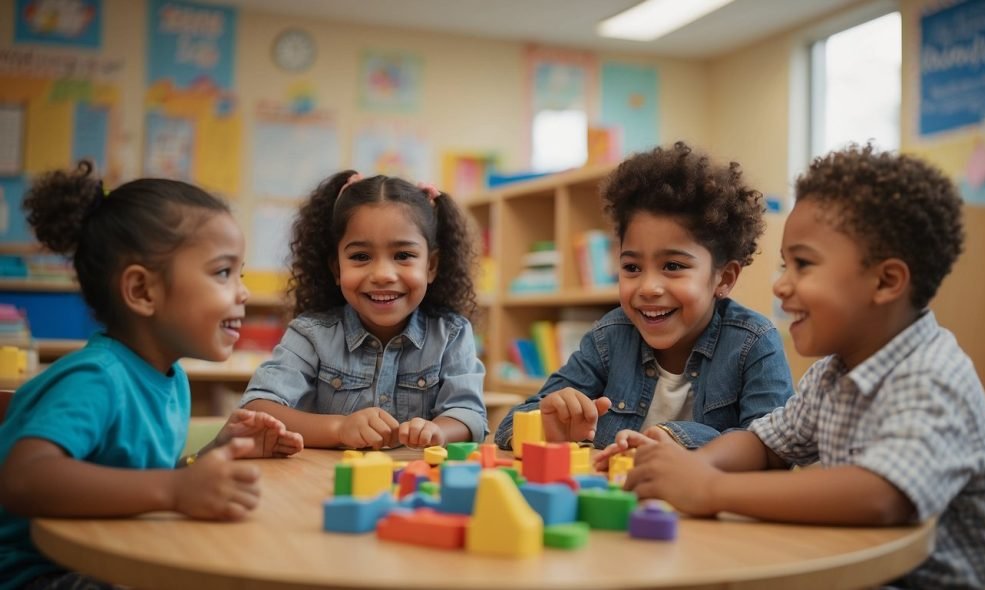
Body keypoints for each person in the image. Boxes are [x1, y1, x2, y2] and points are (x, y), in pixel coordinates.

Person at [603, 145, 985, 588]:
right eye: (786, 264)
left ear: (885, 281)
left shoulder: (933, 374)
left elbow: (882, 495)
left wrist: (709, 489)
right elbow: (765, 444)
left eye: (803, 264)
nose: (781, 284)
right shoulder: (832, 373)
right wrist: (680, 468)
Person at [0, 161, 304, 590]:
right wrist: (177, 489)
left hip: (97, 558)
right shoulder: (96, 379)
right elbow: (23, 479)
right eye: (222, 272)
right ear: (143, 291)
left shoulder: (169, 377)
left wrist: (211, 455)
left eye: (240, 272)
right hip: (38, 573)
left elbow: (130, 476)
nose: (243, 291)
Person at [495, 141, 793, 450]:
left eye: (673, 266)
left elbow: (773, 446)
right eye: (632, 267)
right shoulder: (609, 338)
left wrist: (674, 438)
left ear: (724, 278)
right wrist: (547, 421)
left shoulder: (754, 343)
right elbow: (512, 424)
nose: (648, 287)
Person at [241, 171, 488, 450]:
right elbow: (257, 409)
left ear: (431, 266)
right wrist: (339, 428)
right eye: (361, 257)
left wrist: (438, 431)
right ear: (337, 267)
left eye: (403, 256)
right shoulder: (311, 334)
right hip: (322, 482)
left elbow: (470, 415)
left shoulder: (451, 334)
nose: (383, 274)